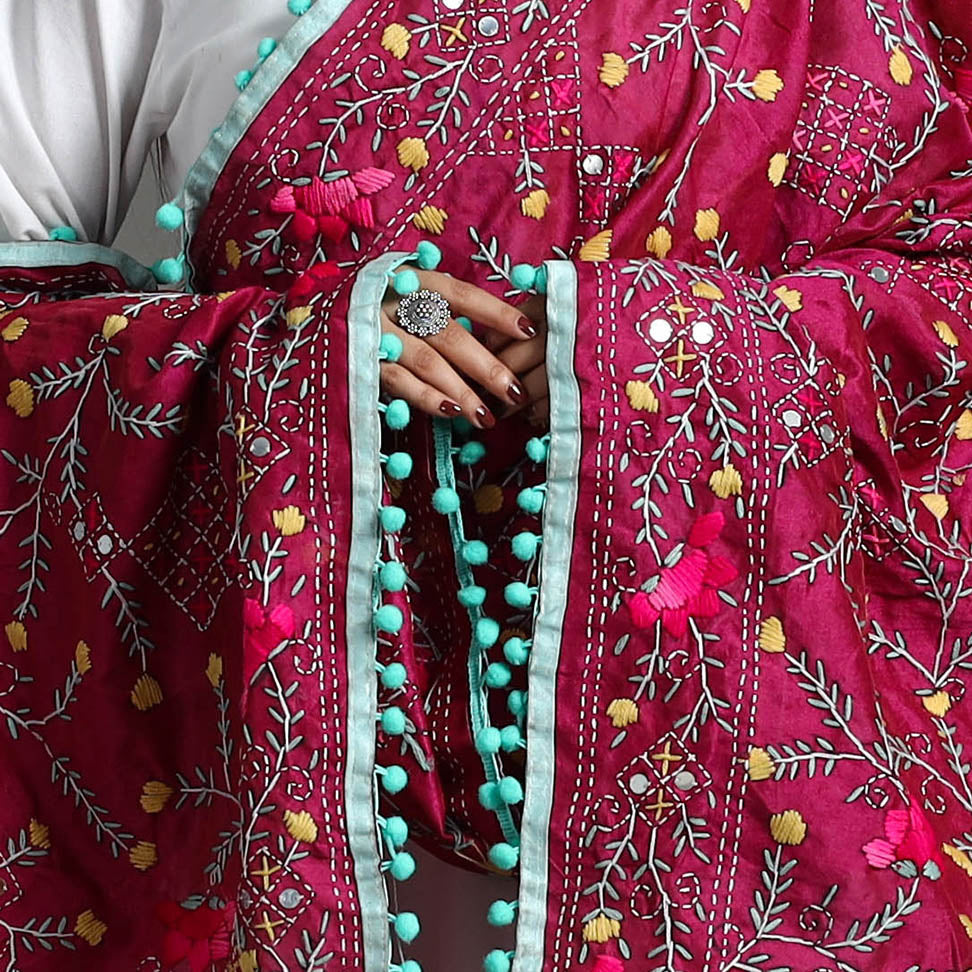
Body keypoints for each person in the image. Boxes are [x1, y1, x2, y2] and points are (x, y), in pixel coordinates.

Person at [1, 1, 971, 970]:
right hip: (299, 803)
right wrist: (315, 353)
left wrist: (670, 346)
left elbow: (945, 297)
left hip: (721, 779)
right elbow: (21, 347)